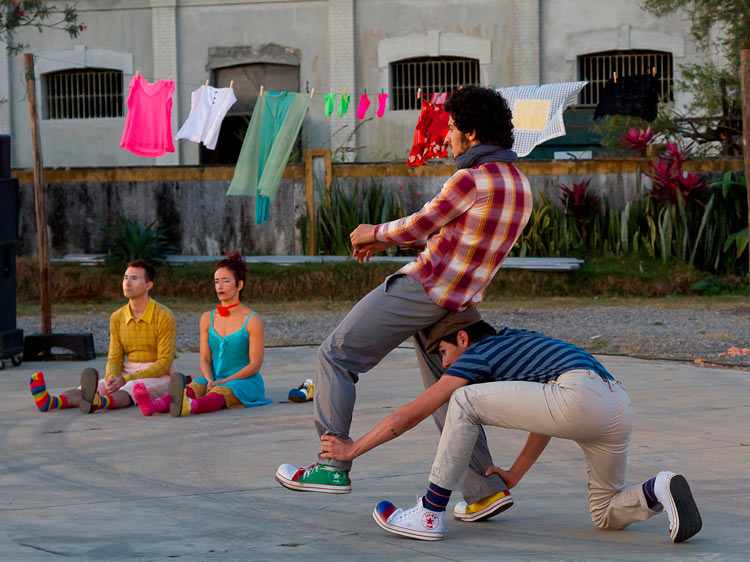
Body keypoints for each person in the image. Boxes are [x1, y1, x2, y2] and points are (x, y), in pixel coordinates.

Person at [275, 85, 533, 512]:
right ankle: (485, 491)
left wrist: (371, 235)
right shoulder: (521, 186)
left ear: (470, 132)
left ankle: (332, 464)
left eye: (451, 127)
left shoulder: (471, 178)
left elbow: (420, 223)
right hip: (460, 303)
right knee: (448, 396)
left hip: (424, 289)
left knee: (337, 355)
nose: (447, 136)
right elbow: (462, 240)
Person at [319, 318, 703, 544]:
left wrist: (351, 450)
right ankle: (659, 487)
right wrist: (514, 474)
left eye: (442, 352)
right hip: (616, 401)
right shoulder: (521, 339)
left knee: (461, 401)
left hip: (578, 396)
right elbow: (549, 411)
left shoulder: (478, 354)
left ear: (463, 339)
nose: (443, 361)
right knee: (605, 513)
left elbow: (413, 413)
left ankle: (429, 513)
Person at [132, 252, 271, 416]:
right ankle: (154, 405)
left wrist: (223, 382)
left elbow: (254, 365)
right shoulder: (207, 318)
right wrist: (211, 379)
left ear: (239, 285)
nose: (219, 286)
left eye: (226, 281)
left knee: (221, 392)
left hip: (244, 382)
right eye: (216, 282)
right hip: (215, 377)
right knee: (194, 387)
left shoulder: (252, 320)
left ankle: (189, 406)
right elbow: (205, 359)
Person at [29, 260, 177, 414]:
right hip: (128, 369)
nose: (127, 283)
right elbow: (114, 358)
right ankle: (52, 401)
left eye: (134, 278)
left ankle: (99, 402)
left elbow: (164, 364)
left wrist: (125, 379)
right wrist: (112, 377)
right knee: (94, 387)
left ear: (148, 286)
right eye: (125, 278)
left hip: (160, 374)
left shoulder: (164, 316)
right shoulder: (117, 317)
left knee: (131, 388)